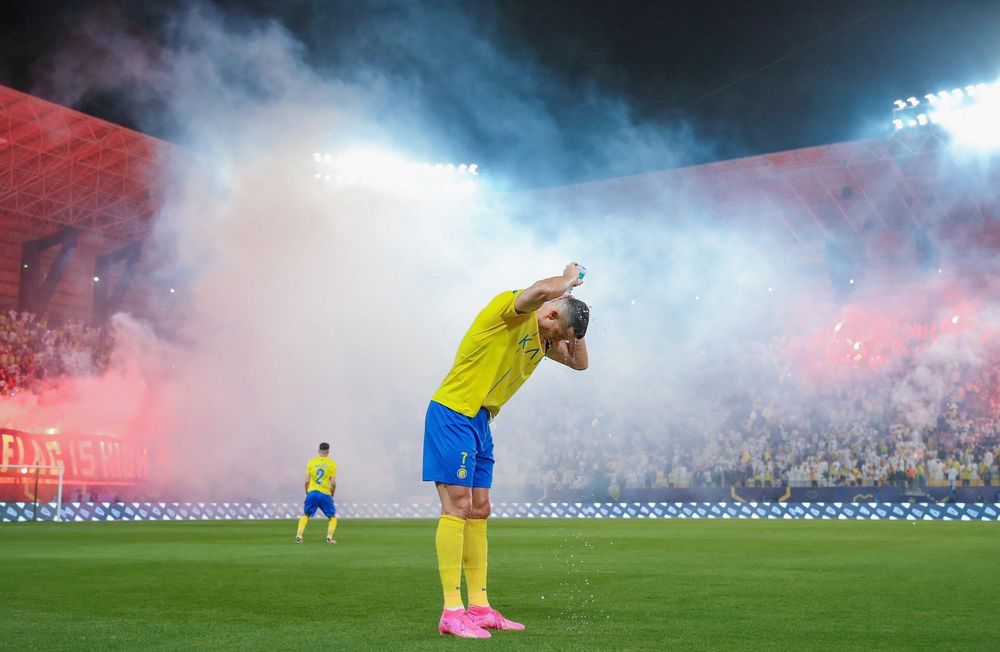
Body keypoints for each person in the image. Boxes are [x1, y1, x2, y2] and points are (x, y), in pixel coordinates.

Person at [423, 263, 590, 638]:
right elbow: (537, 290)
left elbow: (580, 362)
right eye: (559, 331)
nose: (559, 341)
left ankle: (479, 607)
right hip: (453, 411)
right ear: (548, 312)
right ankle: (452, 610)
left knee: (480, 509)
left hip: (481, 419)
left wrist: (575, 319)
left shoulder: (543, 339)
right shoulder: (509, 312)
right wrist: (566, 282)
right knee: (457, 506)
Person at [295, 442, 338, 544]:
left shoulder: (311, 462)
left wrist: (307, 493)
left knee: (306, 515)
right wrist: (332, 494)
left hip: (312, 492)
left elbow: (306, 480)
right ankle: (329, 537)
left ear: (319, 451)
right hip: (325, 493)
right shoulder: (332, 464)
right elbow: (333, 482)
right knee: (332, 517)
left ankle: (299, 536)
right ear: (328, 452)